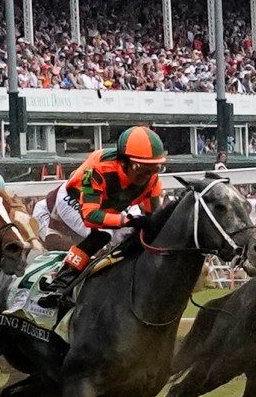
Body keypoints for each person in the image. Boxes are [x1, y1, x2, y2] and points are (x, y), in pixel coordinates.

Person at [41, 125, 171, 308]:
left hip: (108, 204)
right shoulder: (95, 171)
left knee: (131, 236)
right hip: (74, 198)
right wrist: (126, 220)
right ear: (123, 162)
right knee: (104, 234)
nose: (148, 175)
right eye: (141, 167)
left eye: (155, 168)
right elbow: (90, 216)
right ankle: (59, 283)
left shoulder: (153, 180)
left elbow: (154, 221)